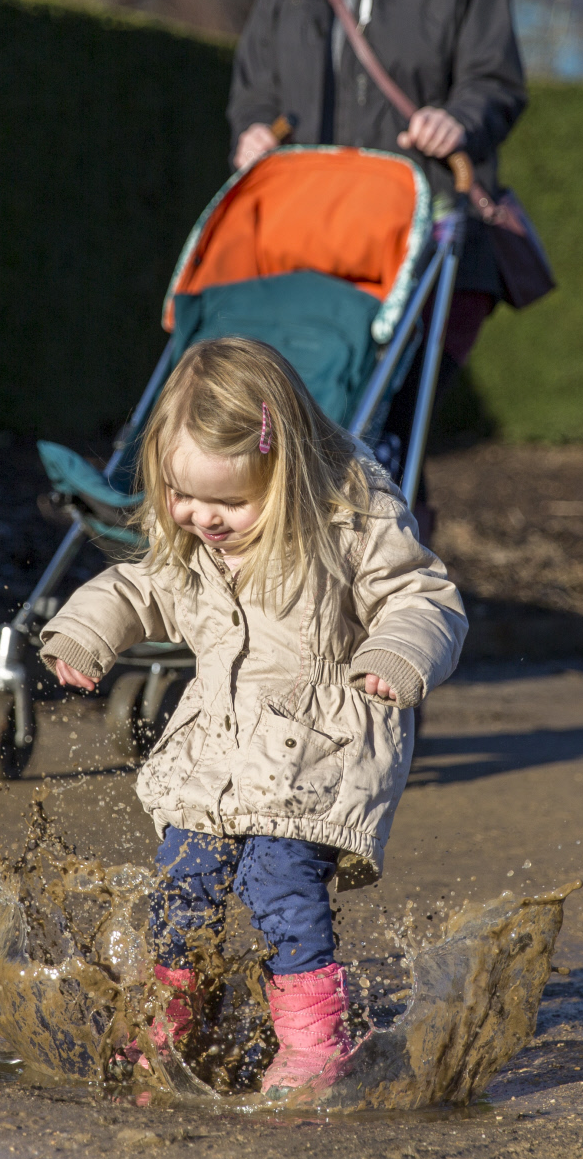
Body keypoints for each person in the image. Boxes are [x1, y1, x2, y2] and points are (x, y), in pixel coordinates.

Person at [39, 337, 466, 1098]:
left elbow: (419, 595)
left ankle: (315, 1042)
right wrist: (86, 630)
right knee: (182, 879)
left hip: (320, 746)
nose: (203, 517)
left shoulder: (345, 514)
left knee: (277, 880)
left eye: (230, 501)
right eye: (182, 494)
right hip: (221, 749)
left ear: (287, 464)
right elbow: (142, 585)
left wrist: (399, 653)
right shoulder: (197, 537)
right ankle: (177, 1019)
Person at [227, 0, 529, 512]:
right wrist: (252, 133)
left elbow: (496, 78)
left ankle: (393, 590)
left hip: (418, 234)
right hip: (308, 232)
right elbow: (254, 89)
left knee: (378, 424)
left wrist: (458, 117)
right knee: (285, 411)